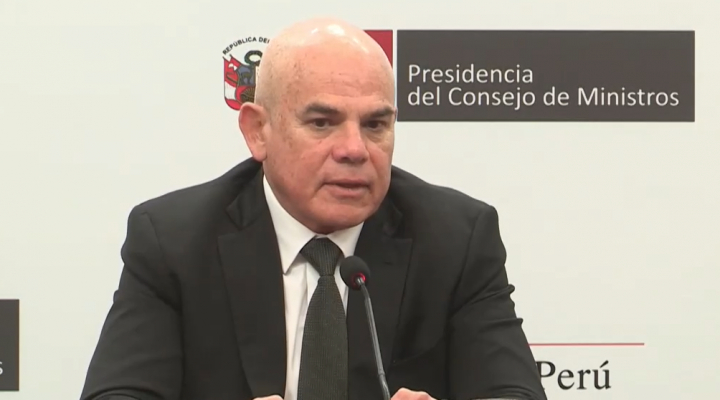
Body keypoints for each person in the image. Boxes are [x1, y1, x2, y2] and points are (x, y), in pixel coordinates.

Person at [79, 17, 546, 400]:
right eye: (322, 123)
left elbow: (514, 392)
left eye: (375, 125)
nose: (354, 149)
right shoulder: (174, 241)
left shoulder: (456, 238)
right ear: (257, 132)